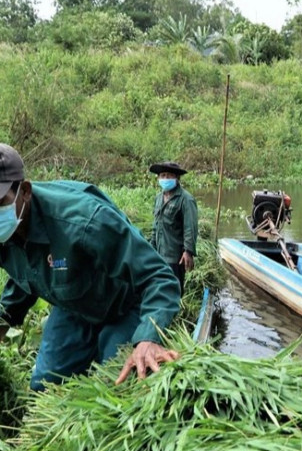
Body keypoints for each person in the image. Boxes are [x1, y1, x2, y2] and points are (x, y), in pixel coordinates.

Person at [0, 143, 182, 391]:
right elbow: (30, 269)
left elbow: (159, 276)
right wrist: (5, 317)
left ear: (25, 192)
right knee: (44, 385)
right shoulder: (7, 232)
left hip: (126, 303)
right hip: (74, 304)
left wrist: (148, 337)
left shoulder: (85, 222)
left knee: (117, 385)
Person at [149, 161, 198, 295]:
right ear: (158, 178)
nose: (165, 179)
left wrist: (188, 251)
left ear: (177, 179)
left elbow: (190, 227)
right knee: (159, 287)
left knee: (174, 289)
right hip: (159, 252)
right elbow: (156, 225)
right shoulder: (158, 198)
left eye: (169, 176)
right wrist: (151, 247)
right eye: (162, 176)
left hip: (175, 256)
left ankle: (176, 313)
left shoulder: (185, 199)